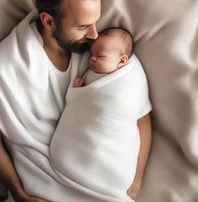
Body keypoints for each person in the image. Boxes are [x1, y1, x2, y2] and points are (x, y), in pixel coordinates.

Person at [0, 0, 104, 202]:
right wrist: (19, 193)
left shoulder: (98, 52)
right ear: (48, 21)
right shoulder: (5, 66)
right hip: (40, 189)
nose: (94, 33)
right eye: (82, 26)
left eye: (96, 21)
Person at [49, 27, 152, 201]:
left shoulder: (132, 81)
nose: (92, 59)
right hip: (72, 155)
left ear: (122, 60)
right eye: (92, 55)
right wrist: (76, 92)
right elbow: (76, 106)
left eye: (101, 56)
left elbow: (144, 124)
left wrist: (138, 177)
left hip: (110, 164)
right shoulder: (88, 74)